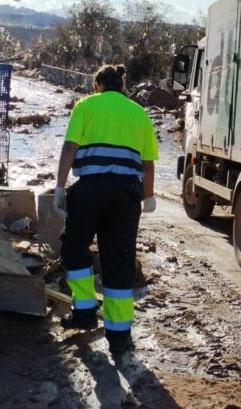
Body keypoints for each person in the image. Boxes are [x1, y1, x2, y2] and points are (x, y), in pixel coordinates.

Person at [53, 64, 158, 357]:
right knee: (119, 261)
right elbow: (148, 164)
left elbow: (69, 148)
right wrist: (148, 197)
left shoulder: (85, 106)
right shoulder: (139, 113)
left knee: (74, 248)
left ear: (97, 84)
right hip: (126, 197)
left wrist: (60, 187)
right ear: (121, 84)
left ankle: (84, 310)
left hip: (90, 191)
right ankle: (119, 335)